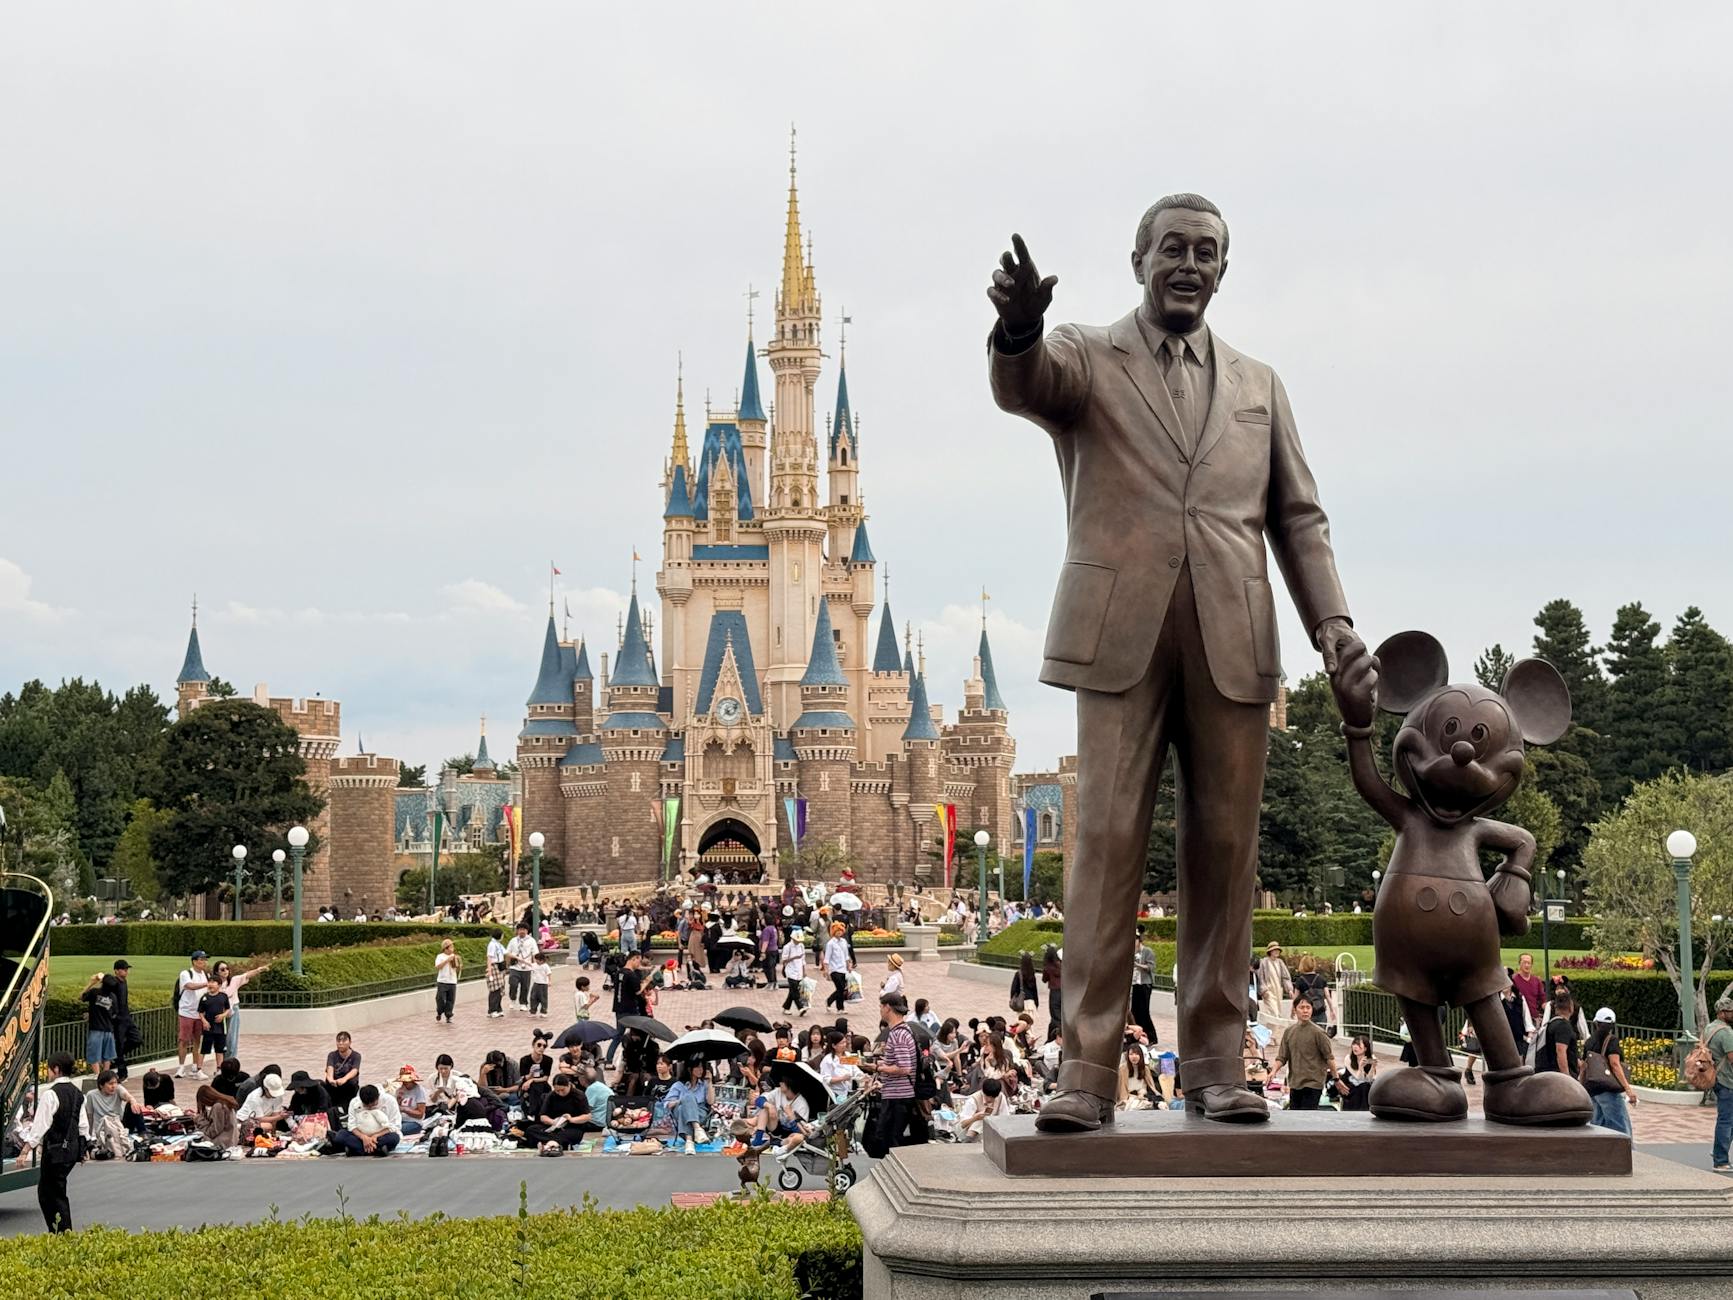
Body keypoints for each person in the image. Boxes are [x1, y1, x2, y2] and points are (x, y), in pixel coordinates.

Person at [987, 200, 1361, 1131]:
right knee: (1106, 844)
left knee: (1225, 853)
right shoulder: (1085, 355)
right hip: (1120, 630)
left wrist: (1335, 627)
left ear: (1223, 270)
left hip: (1233, 635)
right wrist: (1019, 326)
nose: (1187, 265)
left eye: (1206, 252)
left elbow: (1297, 521)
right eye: (1172, 250)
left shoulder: (1258, 384)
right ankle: (1084, 1072)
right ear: (1137, 260)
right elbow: (1024, 384)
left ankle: (1215, 1065)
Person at [17, 1052, 87, 1231]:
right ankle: (61, 1231)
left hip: (55, 1150)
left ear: (56, 1069)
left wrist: (25, 1150)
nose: (48, 1072)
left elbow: (41, 1125)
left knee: (50, 1194)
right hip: (71, 1150)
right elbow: (83, 1125)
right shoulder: (78, 1094)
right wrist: (83, 1148)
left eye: (49, 1069)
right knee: (56, 1190)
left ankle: (61, 1232)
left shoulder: (51, 1094)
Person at [871, 994, 929, 1152]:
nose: (880, 1010)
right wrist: (885, 1064)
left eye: (881, 1007)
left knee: (888, 1138)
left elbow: (904, 1068)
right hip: (898, 1095)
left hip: (898, 1096)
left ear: (888, 1007)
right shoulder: (904, 1031)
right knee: (889, 1137)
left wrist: (878, 1068)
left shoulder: (899, 1034)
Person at [1270, 996, 1336, 1111]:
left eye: (1308, 1007)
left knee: (1308, 1119)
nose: (1305, 1010)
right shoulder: (1289, 1032)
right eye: (1302, 1007)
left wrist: (1337, 1079)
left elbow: (1329, 1057)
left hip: (1313, 1083)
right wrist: (1273, 1071)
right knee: (1295, 1118)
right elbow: (1282, 1056)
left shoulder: (1319, 1033)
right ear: (1295, 1010)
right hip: (1295, 1083)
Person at [1579, 1007, 1637, 1137]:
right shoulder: (1612, 1041)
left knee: (1598, 1126)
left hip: (1593, 1089)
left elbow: (1583, 1066)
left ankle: (1601, 1154)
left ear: (1596, 1023)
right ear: (1613, 1025)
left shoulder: (1589, 1042)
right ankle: (1627, 1154)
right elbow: (1615, 1064)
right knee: (1620, 1126)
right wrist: (1628, 1089)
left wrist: (1582, 1087)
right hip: (1608, 1089)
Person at [511, 1071, 600, 1149]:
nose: (560, 1093)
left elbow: (587, 1116)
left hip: (572, 1127)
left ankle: (548, 1143)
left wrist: (571, 1119)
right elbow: (543, 1116)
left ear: (568, 1085)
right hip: (554, 1127)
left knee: (569, 1135)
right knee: (531, 1130)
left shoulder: (579, 1095)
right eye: (557, 1091)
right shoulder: (551, 1096)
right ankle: (554, 1143)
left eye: (563, 1090)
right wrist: (553, 1122)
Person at [209, 959, 267, 1057]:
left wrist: (258, 970)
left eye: (227, 968)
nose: (226, 971)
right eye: (222, 969)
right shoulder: (214, 984)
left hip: (233, 1011)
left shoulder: (234, 980)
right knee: (220, 1040)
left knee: (232, 1039)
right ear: (216, 972)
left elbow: (246, 975)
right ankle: (221, 1065)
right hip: (219, 1013)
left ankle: (231, 1062)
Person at [82, 1069, 140, 1160]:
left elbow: (127, 1096)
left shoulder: (118, 1089)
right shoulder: (91, 1095)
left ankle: (143, 1131)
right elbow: (89, 1116)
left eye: (115, 1083)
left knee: (133, 1105)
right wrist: (88, 1136)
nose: (113, 1086)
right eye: (110, 1084)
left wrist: (133, 1102)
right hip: (103, 1128)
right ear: (101, 1085)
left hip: (119, 1124)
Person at [173, 950, 212, 1078]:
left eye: (205, 959)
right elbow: (190, 986)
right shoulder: (186, 973)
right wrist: (206, 984)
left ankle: (195, 1067)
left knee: (197, 1041)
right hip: (187, 1012)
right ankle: (181, 1067)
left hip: (199, 1013)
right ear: (195, 961)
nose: (204, 962)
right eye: (201, 959)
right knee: (183, 1040)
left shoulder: (206, 974)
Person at [332, 1084, 401, 1156]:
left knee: (394, 1137)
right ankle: (377, 1150)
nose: (370, 1108)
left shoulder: (390, 1101)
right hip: (361, 1136)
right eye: (367, 1106)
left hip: (380, 1136)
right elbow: (352, 1125)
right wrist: (364, 1137)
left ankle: (357, 1150)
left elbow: (395, 1125)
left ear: (378, 1097)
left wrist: (375, 1136)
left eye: (373, 1105)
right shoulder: (354, 1102)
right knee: (340, 1135)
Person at [1706, 993, 1733, 1172]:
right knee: (1726, 1120)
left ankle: (1718, 1150)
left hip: (1717, 1079)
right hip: (1728, 1081)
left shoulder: (1709, 1028)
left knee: (1728, 1119)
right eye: (1730, 1011)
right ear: (1722, 1013)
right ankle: (1720, 1160)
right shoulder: (1726, 1033)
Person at [665, 1061, 715, 1154]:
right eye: (698, 1067)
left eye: (702, 1067)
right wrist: (681, 1101)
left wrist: (710, 1082)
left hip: (699, 1111)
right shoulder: (678, 1085)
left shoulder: (704, 1084)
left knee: (682, 1109)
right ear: (689, 1069)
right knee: (685, 1100)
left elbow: (711, 1102)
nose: (701, 1070)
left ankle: (689, 1141)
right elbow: (668, 1104)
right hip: (679, 1111)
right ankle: (697, 1129)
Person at [80, 971, 120, 1074]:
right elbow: (114, 1014)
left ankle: (98, 1075)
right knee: (107, 1056)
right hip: (108, 1030)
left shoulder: (94, 993)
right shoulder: (113, 997)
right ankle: (106, 1074)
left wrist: (92, 982)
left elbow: (81, 996)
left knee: (94, 1056)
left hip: (96, 1030)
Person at [1535, 992, 1581, 1077]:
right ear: (1571, 1008)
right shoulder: (1563, 1026)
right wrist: (1567, 1077)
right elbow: (1561, 1051)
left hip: (1549, 1073)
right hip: (1559, 1077)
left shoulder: (1551, 1023)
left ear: (1555, 1008)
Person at [237, 1072, 292, 1140]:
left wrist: (273, 1134)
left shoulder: (278, 1096)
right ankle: (239, 1128)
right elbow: (259, 1118)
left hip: (265, 1119)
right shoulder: (255, 1097)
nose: (274, 1096)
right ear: (265, 1089)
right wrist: (279, 1117)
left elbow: (275, 1116)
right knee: (268, 1126)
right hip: (246, 1120)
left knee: (269, 1126)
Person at [1333, 1034, 1378, 1112]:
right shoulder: (1348, 1059)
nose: (1355, 1047)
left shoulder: (1371, 1058)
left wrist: (1372, 1067)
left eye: (1358, 1045)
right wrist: (1361, 1067)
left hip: (1364, 1086)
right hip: (1350, 1085)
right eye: (1354, 1044)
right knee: (1362, 1088)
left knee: (1366, 1087)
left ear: (1365, 1048)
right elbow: (1359, 1078)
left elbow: (1370, 1079)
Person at [1292, 953, 1335, 1032]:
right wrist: (1332, 1010)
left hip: (1306, 1013)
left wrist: (1293, 1010)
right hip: (1320, 1012)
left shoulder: (1300, 981)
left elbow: (1296, 998)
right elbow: (1328, 996)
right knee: (1321, 1035)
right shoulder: (1321, 979)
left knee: (1306, 1035)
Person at [958, 1076, 1010, 1140]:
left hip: (993, 1130)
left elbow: (1005, 1118)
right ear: (983, 1092)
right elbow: (963, 1124)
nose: (989, 1099)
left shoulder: (1001, 1097)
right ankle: (969, 1138)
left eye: (993, 1097)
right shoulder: (973, 1099)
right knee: (981, 1121)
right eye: (987, 1096)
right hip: (973, 1132)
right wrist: (975, 1118)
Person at [324, 1031, 362, 1117]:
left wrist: (344, 1079)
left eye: (344, 1041)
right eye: (338, 1041)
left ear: (350, 1042)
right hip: (334, 1085)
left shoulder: (356, 1056)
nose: (341, 1043)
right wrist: (330, 1079)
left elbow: (354, 1070)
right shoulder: (332, 1055)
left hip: (349, 1086)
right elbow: (330, 1068)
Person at [1131, 930, 1158, 1045]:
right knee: (1134, 1010)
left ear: (1139, 940)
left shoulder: (1147, 951)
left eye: (1136, 940)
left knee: (1144, 1010)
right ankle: (1138, 1035)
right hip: (1135, 984)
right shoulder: (1132, 952)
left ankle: (1151, 1036)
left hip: (1145, 984)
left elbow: (1151, 967)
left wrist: (1137, 965)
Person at [197, 977, 233, 1064]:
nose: (210, 984)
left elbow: (228, 1009)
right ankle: (199, 1069)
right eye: (209, 982)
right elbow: (200, 1012)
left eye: (213, 982)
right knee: (203, 1049)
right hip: (208, 1027)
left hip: (220, 1027)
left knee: (219, 1050)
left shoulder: (223, 996)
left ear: (219, 985)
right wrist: (204, 1021)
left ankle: (219, 1068)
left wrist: (223, 1015)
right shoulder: (204, 998)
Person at [1116, 1042, 1160, 1110]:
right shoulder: (1123, 1069)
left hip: (1143, 1096)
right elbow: (1121, 1089)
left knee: (1160, 1105)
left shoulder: (1145, 1069)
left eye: (1136, 1054)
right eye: (1131, 1054)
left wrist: (1142, 1094)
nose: (1134, 1056)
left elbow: (1150, 1086)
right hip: (1128, 1097)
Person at [506, 922, 537, 1011]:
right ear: (517, 931)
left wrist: (535, 966)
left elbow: (535, 954)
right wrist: (507, 964)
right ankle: (512, 999)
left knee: (525, 987)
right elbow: (508, 952)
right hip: (514, 967)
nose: (522, 931)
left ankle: (523, 1003)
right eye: (520, 929)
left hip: (526, 968)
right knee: (513, 984)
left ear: (527, 931)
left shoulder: (531, 941)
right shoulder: (513, 941)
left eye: (524, 930)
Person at [1511, 952, 1546, 1029]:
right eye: (1524, 963)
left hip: (1534, 1018)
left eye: (1529, 963)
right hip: (1519, 1019)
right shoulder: (1514, 980)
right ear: (1519, 963)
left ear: (1531, 965)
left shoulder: (1537, 981)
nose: (1526, 965)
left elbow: (1543, 1000)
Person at [823, 922, 853, 1012]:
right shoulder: (830, 944)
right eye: (837, 931)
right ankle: (840, 1008)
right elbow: (827, 958)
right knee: (840, 988)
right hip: (834, 969)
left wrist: (849, 965)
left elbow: (846, 955)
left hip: (843, 969)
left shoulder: (844, 942)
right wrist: (826, 970)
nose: (839, 932)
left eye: (840, 931)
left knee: (842, 989)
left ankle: (829, 1001)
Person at [779, 929, 809, 1014]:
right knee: (794, 989)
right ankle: (800, 1007)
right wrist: (794, 957)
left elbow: (803, 960)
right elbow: (784, 960)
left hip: (799, 971)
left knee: (793, 990)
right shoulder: (787, 947)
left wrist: (804, 971)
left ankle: (786, 1007)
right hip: (790, 971)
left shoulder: (801, 946)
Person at [393, 1066, 429, 1135]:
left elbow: (420, 1114)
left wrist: (405, 1110)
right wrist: (398, 1100)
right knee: (390, 1128)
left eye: (407, 1081)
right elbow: (395, 1110)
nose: (404, 1083)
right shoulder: (399, 1090)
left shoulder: (419, 1090)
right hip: (400, 1120)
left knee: (396, 1130)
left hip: (414, 1122)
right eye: (403, 1081)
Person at [434, 939, 461, 1023]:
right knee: (440, 999)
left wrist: (458, 963)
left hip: (452, 981)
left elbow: (456, 968)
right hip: (442, 981)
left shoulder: (454, 956)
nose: (452, 948)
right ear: (446, 948)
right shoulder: (440, 956)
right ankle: (439, 1011)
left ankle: (448, 1015)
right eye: (451, 947)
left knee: (450, 1000)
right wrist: (447, 960)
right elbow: (438, 967)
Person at [485, 928, 508, 1017]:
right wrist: (490, 972)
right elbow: (489, 958)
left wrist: (519, 959)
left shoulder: (498, 944)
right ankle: (492, 1010)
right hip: (494, 966)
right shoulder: (492, 945)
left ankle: (498, 1008)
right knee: (495, 989)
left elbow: (506, 953)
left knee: (500, 989)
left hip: (500, 966)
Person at [529, 949, 552, 1016]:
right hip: (536, 983)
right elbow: (529, 964)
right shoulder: (534, 965)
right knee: (533, 997)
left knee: (543, 998)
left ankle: (543, 1011)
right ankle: (533, 1011)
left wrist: (549, 981)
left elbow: (549, 974)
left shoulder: (545, 966)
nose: (536, 961)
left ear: (541, 960)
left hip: (543, 984)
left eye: (537, 960)